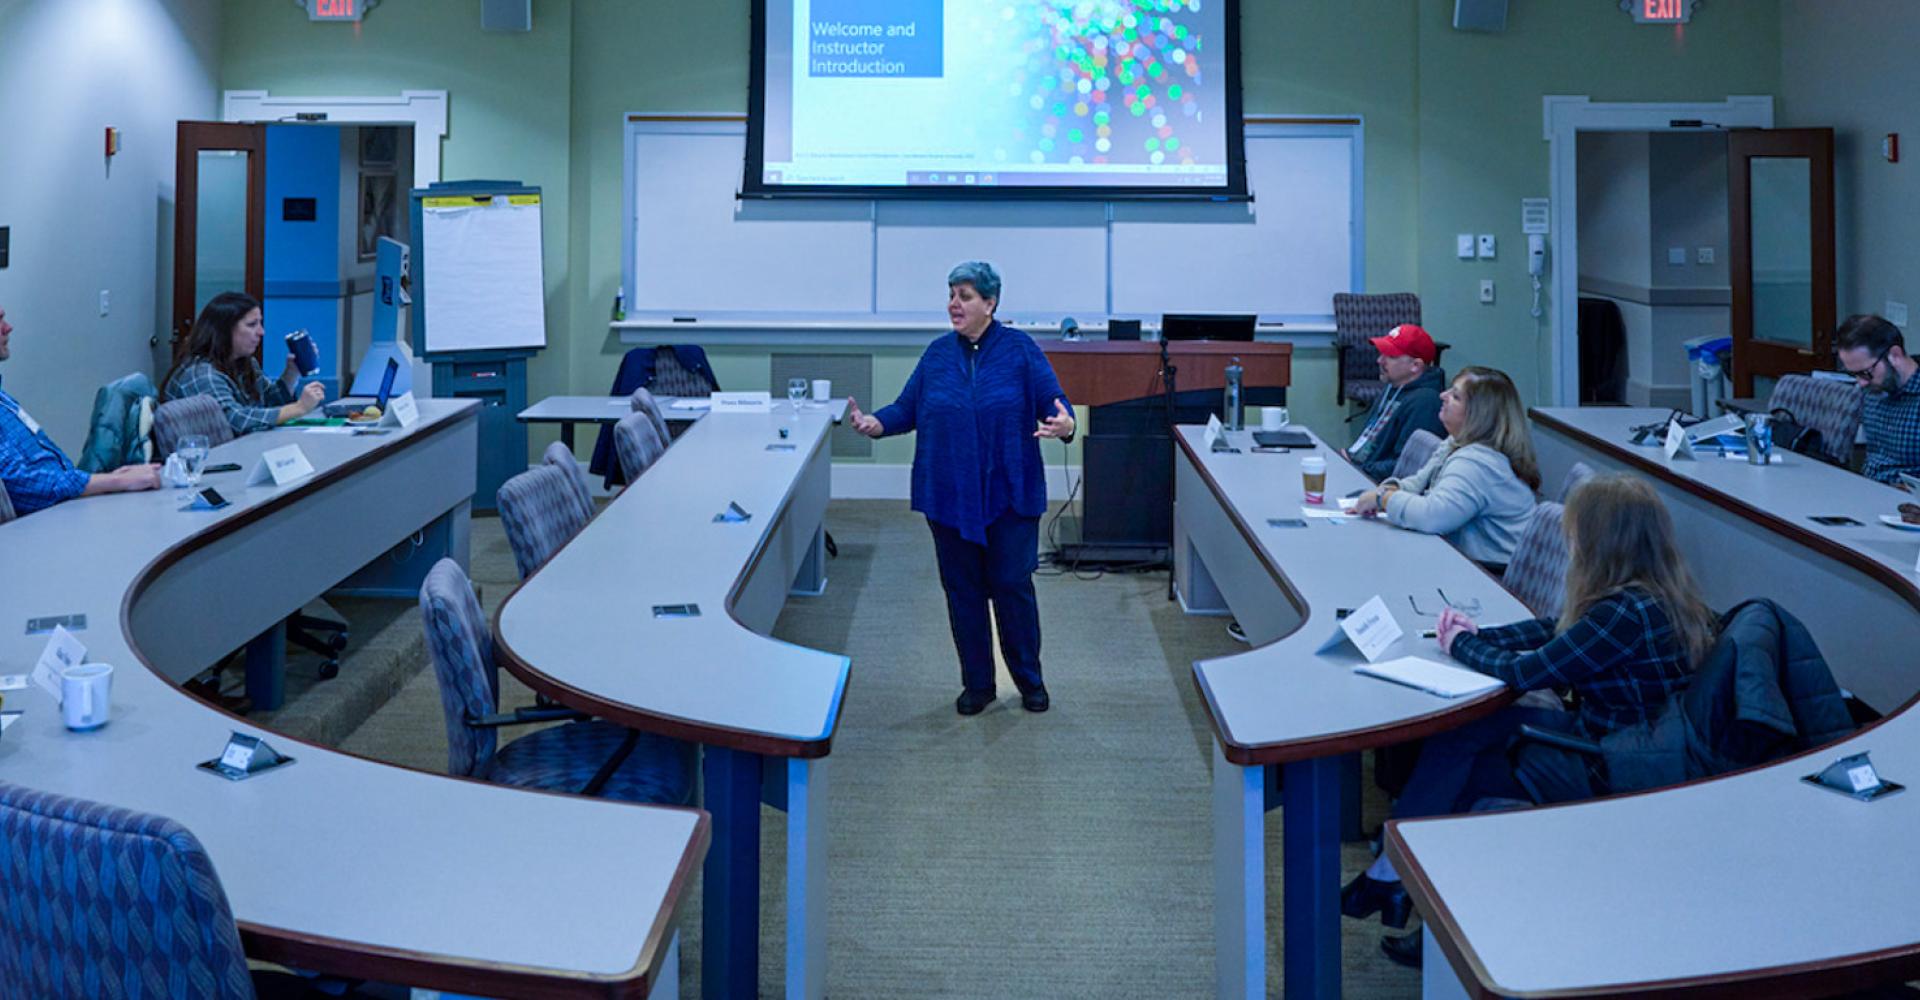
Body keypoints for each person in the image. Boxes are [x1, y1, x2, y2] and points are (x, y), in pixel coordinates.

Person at [1342, 473, 1714, 966]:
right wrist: (1483, 633)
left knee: (1463, 773)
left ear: (1603, 541)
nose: (1571, 542)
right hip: (1625, 739)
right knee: (1465, 737)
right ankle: (1396, 880)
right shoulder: (1651, 594)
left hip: (1615, 762)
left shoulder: (1624, 613)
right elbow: (1554, 631)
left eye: (1577, 533)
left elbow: (1528, 672)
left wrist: (1461, 645)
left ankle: (1405, 891)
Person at [847, 262, 1075, 716]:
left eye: (966, 295)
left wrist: (1066, 423)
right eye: (951, 294)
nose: (954, 303)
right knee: (963, 591)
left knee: (1011, 586)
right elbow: (906, 408)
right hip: (949, 496)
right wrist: (875, 424)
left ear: (990, 304)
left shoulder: (1020, 351)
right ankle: (978, 685)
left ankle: (1030, 680)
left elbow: (1055, 403)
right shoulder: (936, 355)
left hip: (1009, 493)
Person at [1352, 365, 1539, 572]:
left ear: (1479, 415)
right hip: (1464, 562)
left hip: (1493, 576)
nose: (1443, 395)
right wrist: (1384, 492)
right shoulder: (1456, 442)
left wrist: (1383, 500)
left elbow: (1432, 516)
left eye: (1456, 397)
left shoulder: (1478, 462)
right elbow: (1418, 482)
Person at [0, 305, 161, 515]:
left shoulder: (3, 398)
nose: (8, 328)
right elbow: (21, 485)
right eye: (0, 321)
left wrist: (104, 480)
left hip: (67, 504)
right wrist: (114, 481)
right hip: (42, 525)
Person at [162, 292, 326, 435]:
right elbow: (235, 421)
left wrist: (292, 373)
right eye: (251, 325)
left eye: (260, 323)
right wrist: (299, 408)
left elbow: (268, 404)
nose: (261, 332)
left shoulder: (244, 362)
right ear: (224, 330)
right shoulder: (202, 374)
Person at [1342, 323, 1448, 481]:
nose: (1379, 360)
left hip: (1380, 486)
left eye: (1391, 356)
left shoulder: (1426, 403)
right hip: (1360, 470)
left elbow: (1409, 467)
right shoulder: (1392, 387)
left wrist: (1361, 469)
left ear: (1415, 366)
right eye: (1381, 353)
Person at [1833, 313, 1920, 485]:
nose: (1861, 383)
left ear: (1894, 355)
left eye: (1865, 373)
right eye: (1853, 374)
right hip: (1868, 491)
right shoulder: (1875, 389)